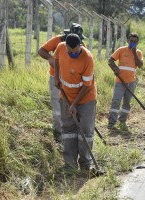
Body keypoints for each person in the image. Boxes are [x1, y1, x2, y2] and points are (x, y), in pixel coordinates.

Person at [53, 33, 97, 171]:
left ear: (80, 46)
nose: (73, 54)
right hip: (65, 95)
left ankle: (85, 164)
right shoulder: (60, 47)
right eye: (70, 52)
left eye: (76, 52)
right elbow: (56, 59)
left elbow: (86, 85)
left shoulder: (87, 58)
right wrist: (56, 77)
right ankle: (70, 164)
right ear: (65, 46)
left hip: (86, 98)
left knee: (85, 130)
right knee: (68, 129)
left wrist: (74, 104)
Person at [38, 23, 86, 143]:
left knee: (72, 104)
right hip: (56, 77)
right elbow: (41, 50)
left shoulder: (81, 45)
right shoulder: (57, 41)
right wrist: (50, 58)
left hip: (72, 80)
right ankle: (59, 132)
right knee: (57, 104)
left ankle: (73, 129)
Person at [107, 33, 143, 129]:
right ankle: (111, 123)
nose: (133, 43)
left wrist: (134, 53)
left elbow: (140, 65)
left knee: (127, 103)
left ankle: (122, 122)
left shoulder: (138, 53)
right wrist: (115, 68)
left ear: (137, 43)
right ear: (128, 40)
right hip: (120, 81)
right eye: (131, 41)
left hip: (131, 82)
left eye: (135, 42)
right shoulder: (121, 50)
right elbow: (110, 60)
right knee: (116, 101)